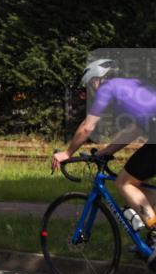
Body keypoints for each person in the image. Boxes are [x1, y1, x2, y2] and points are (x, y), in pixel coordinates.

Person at [51, 59, 156, 243]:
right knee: (137, 187)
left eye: (87, 88)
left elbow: (87, 127)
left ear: (95, 81)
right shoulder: (129, 85)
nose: (89, 93)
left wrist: (67, 153)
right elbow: (133, 131)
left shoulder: (107, 88)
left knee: (124, 184)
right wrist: (103, 153)